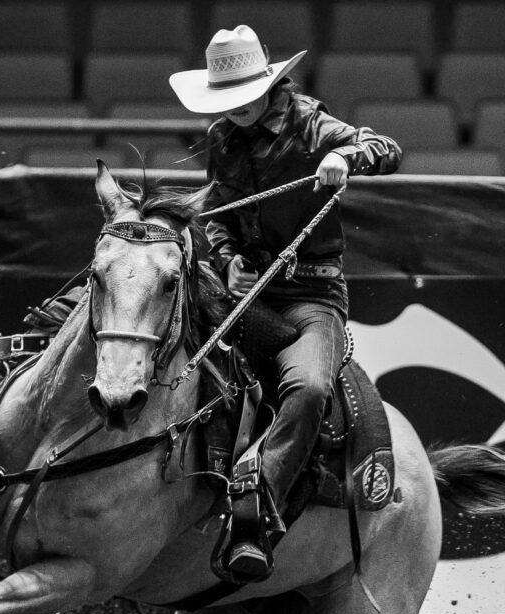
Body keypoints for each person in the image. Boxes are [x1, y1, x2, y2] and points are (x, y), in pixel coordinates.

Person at [168, 25, 402, 580]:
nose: (238, 108)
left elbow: (386, 148)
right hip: (244, 292)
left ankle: (256, 511)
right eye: (228, 100)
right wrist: (228, 260)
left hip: (311, 295)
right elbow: (222, 215)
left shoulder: (307, 119)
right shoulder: (222, 139)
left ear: (267, 85)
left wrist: (347, 157)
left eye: (246, 95)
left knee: (310, 386)